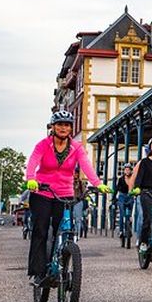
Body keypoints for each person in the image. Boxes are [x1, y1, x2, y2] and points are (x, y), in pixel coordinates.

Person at [24, 110, 111, 285]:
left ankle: (61, 265)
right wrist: (31, 179)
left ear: (70, 128)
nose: (63, 128)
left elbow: (86, 164)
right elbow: (33, 161)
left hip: (65, 193)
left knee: (63, 229)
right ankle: (38, 271)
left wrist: (97, 182)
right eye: (60, 124)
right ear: (53, 127)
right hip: (42, 191)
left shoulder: (76, 147)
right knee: (40, 229)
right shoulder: (43, 145)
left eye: (67, 125)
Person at [116, 163, 135, 239]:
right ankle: (121, 231)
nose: (127, 171)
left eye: (128, 170)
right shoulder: (121, 179)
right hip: (122, 196)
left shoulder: (133, 178)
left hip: (130, 196)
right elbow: (117, 188)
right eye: (126, 170)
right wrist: (114, 198)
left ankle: (129, 227)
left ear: (131, 171)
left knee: (129, 214)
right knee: (122, 214)